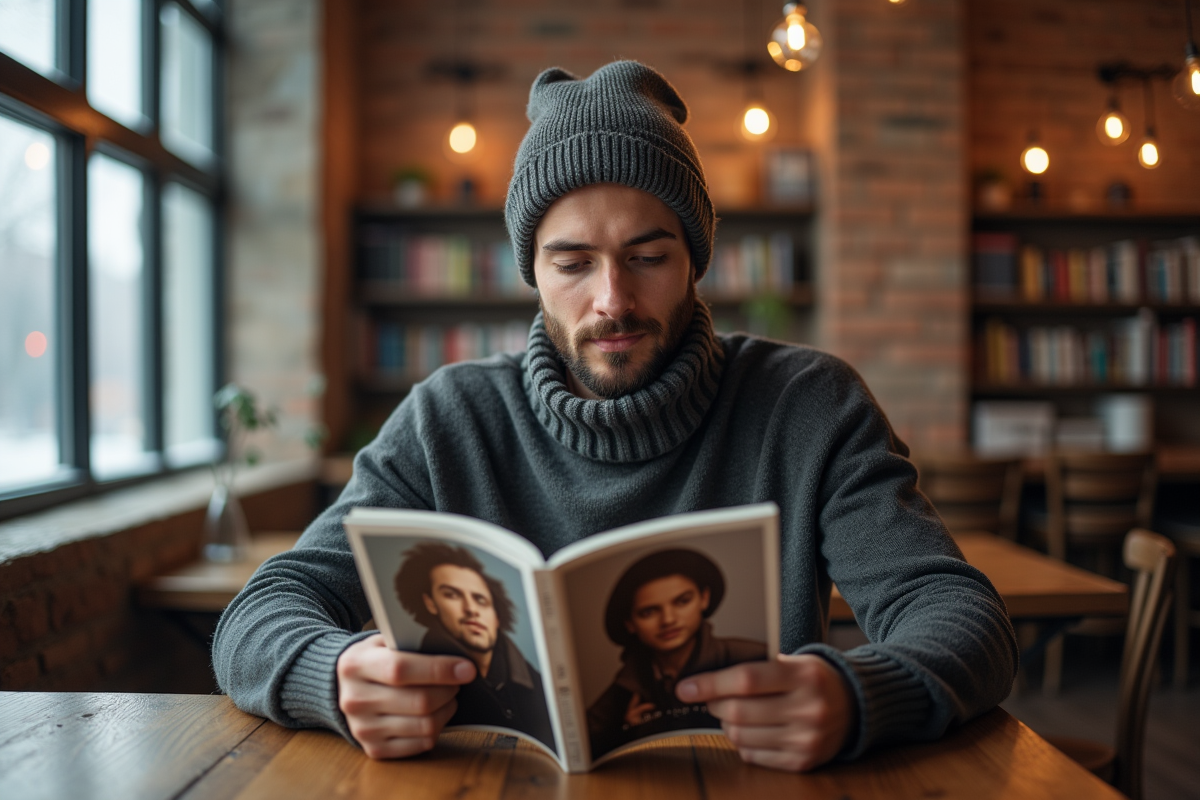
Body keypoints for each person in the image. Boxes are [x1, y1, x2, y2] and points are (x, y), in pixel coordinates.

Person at [213, 60, 1018, 772]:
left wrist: (857, 693)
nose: (613, 300)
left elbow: (962, 618)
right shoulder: (446, 419)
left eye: (648, 257)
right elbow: (260, 614)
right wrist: (335, 673)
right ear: (531, 269)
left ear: (695, 256)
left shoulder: (809, 405)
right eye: (572, 263)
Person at [586, 549, 766, 758]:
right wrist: (626, 730)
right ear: (630, 624)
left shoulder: (749, 658)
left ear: (704, 598)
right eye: (649, 612)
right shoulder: (626, 686)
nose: (668, 620)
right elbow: (585, 742)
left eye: (682, 601)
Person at [393, 542, 554, 749]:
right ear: (430, 603)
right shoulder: (411, 670)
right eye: (452, 594)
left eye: (480, 600)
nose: (471, 609)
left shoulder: (538, 685)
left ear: (497, 617)